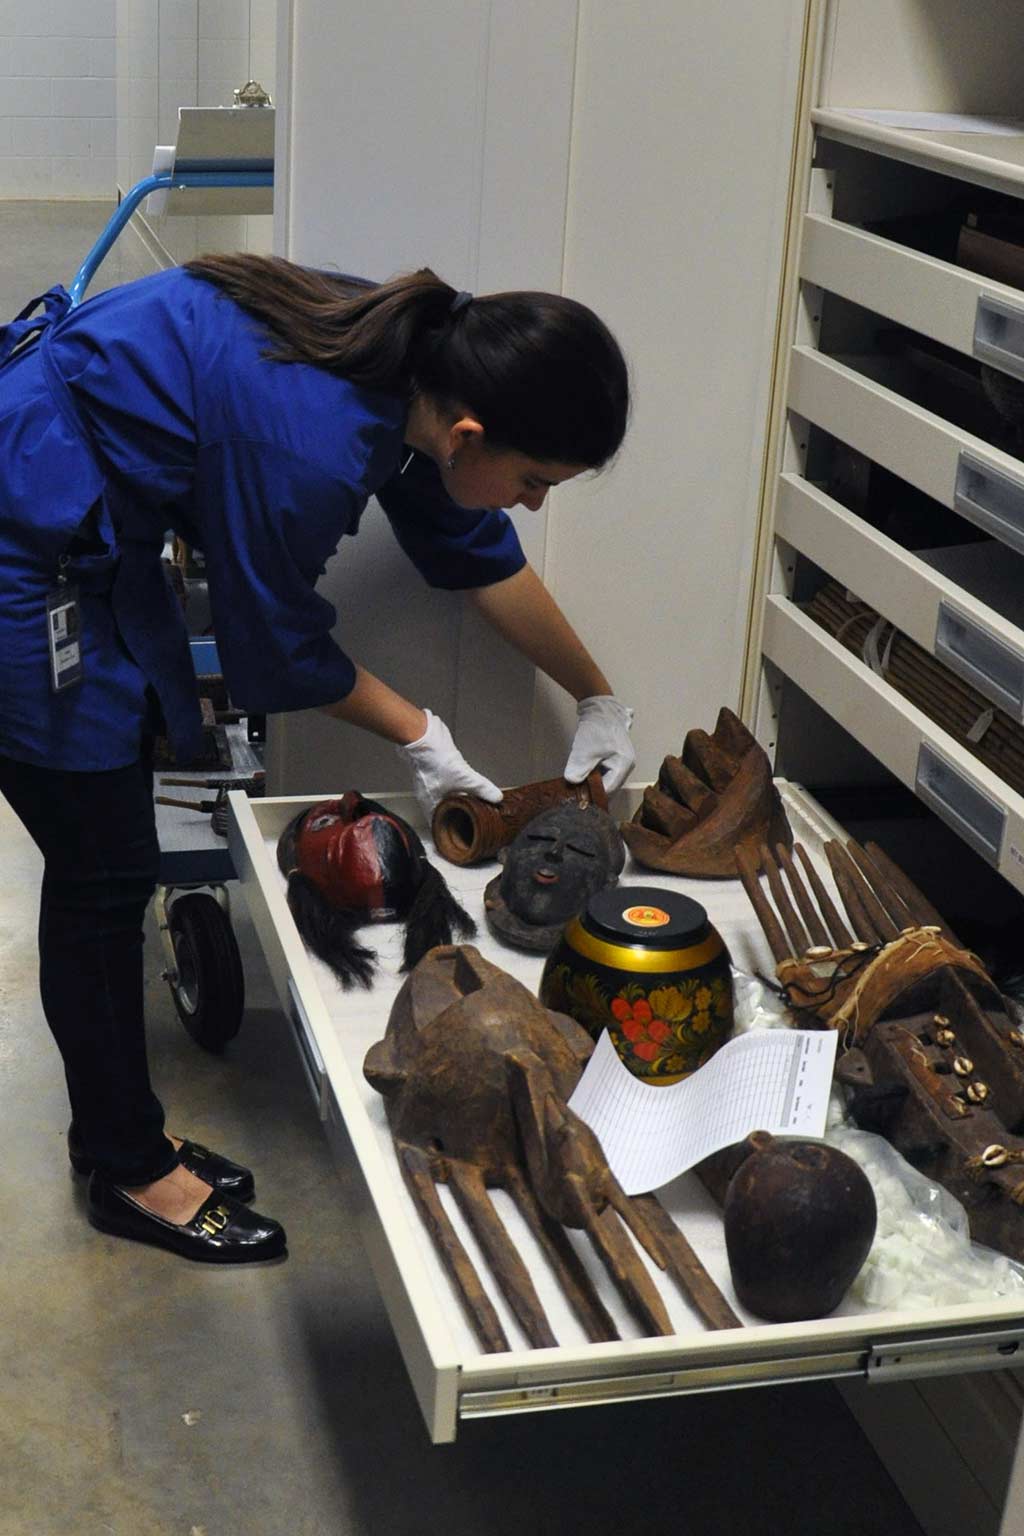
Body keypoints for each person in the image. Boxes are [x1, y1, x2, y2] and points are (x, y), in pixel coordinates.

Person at [0, 254, 635, 1264]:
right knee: (102, 876)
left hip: (71, 509)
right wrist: (420, 736)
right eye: (533, 482)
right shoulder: (313, 437)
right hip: (22, 544)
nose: (532, 505)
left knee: (109, 866)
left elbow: (474, 557)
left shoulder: (417, 364)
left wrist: (597, 692)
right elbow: (274, 650)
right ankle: (125, 1167)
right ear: (471, 436)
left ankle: (122, 1133)